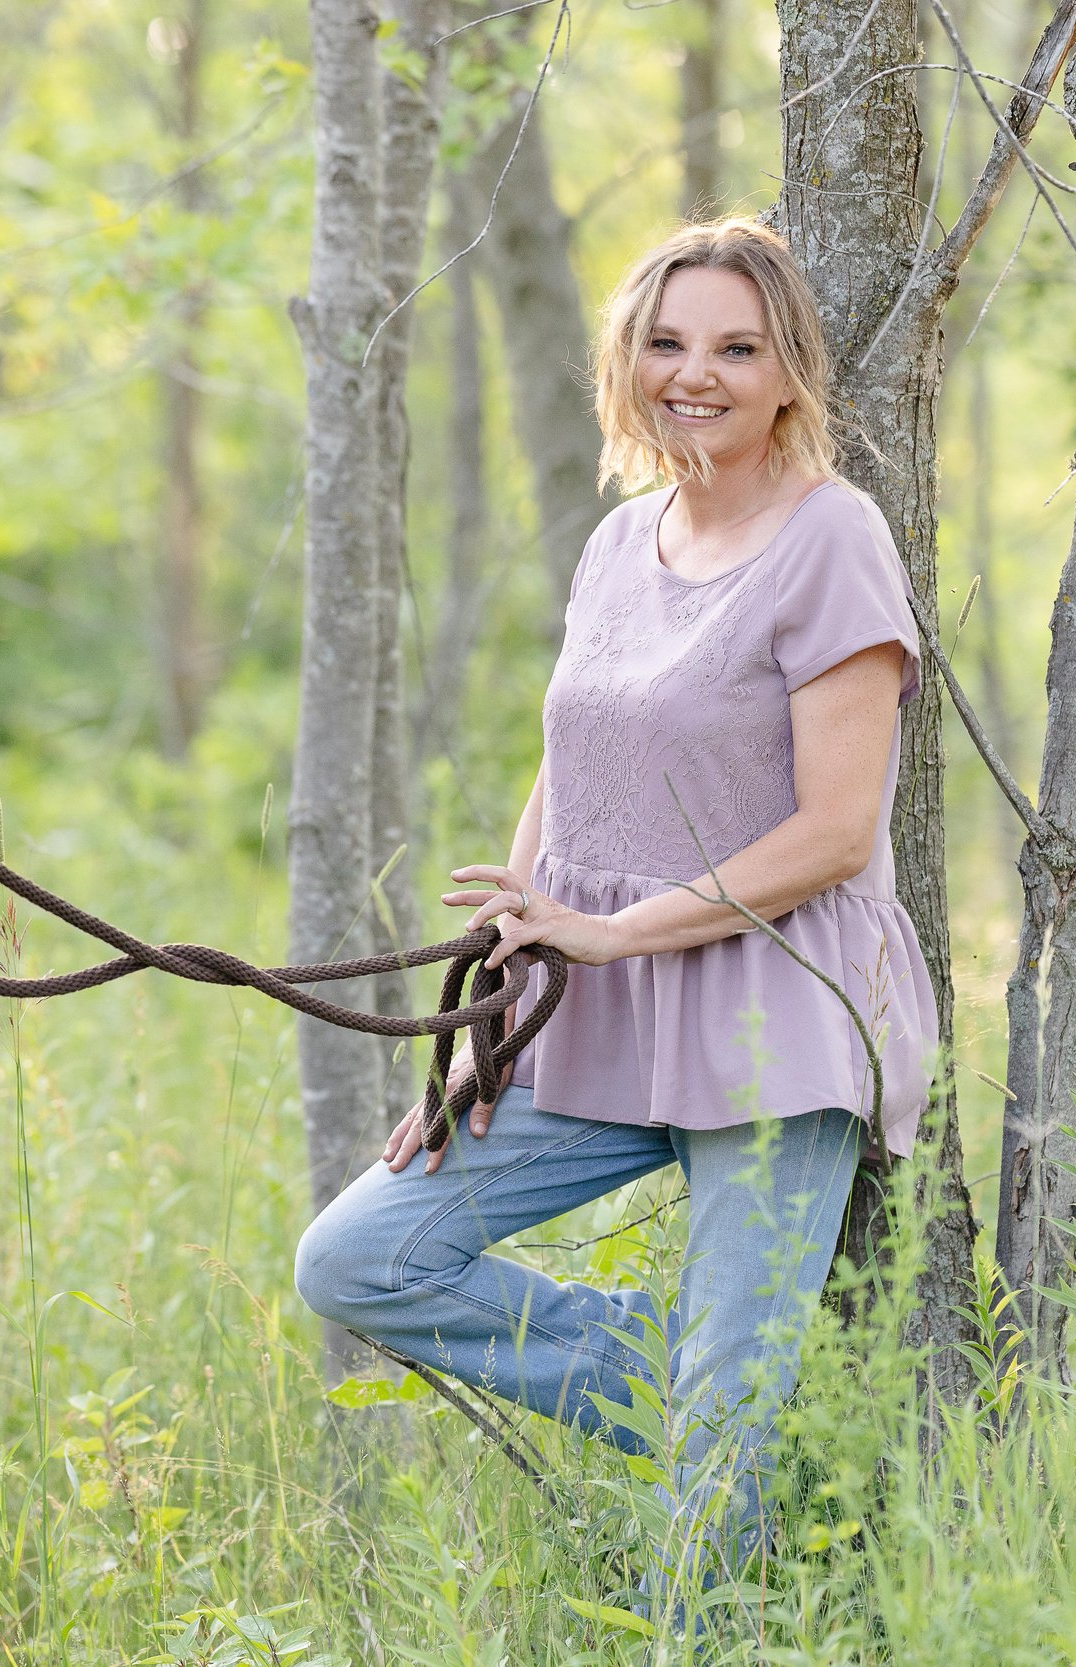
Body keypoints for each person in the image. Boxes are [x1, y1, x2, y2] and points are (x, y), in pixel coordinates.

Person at [293, 218, 937, 1573]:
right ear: (624, 363)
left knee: (721, 1454)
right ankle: (751, 1418)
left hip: (776, 1016)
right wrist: (502, 1005)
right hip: (589, 1015)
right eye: (665, 341)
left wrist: (619, 927)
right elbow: (568, 767)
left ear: (787, 376)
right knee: (359, 1261)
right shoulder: (617, 544)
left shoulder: (835, 540)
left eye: (735, 348)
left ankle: (737, 1428)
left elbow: (835, 831)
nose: (693, 373)